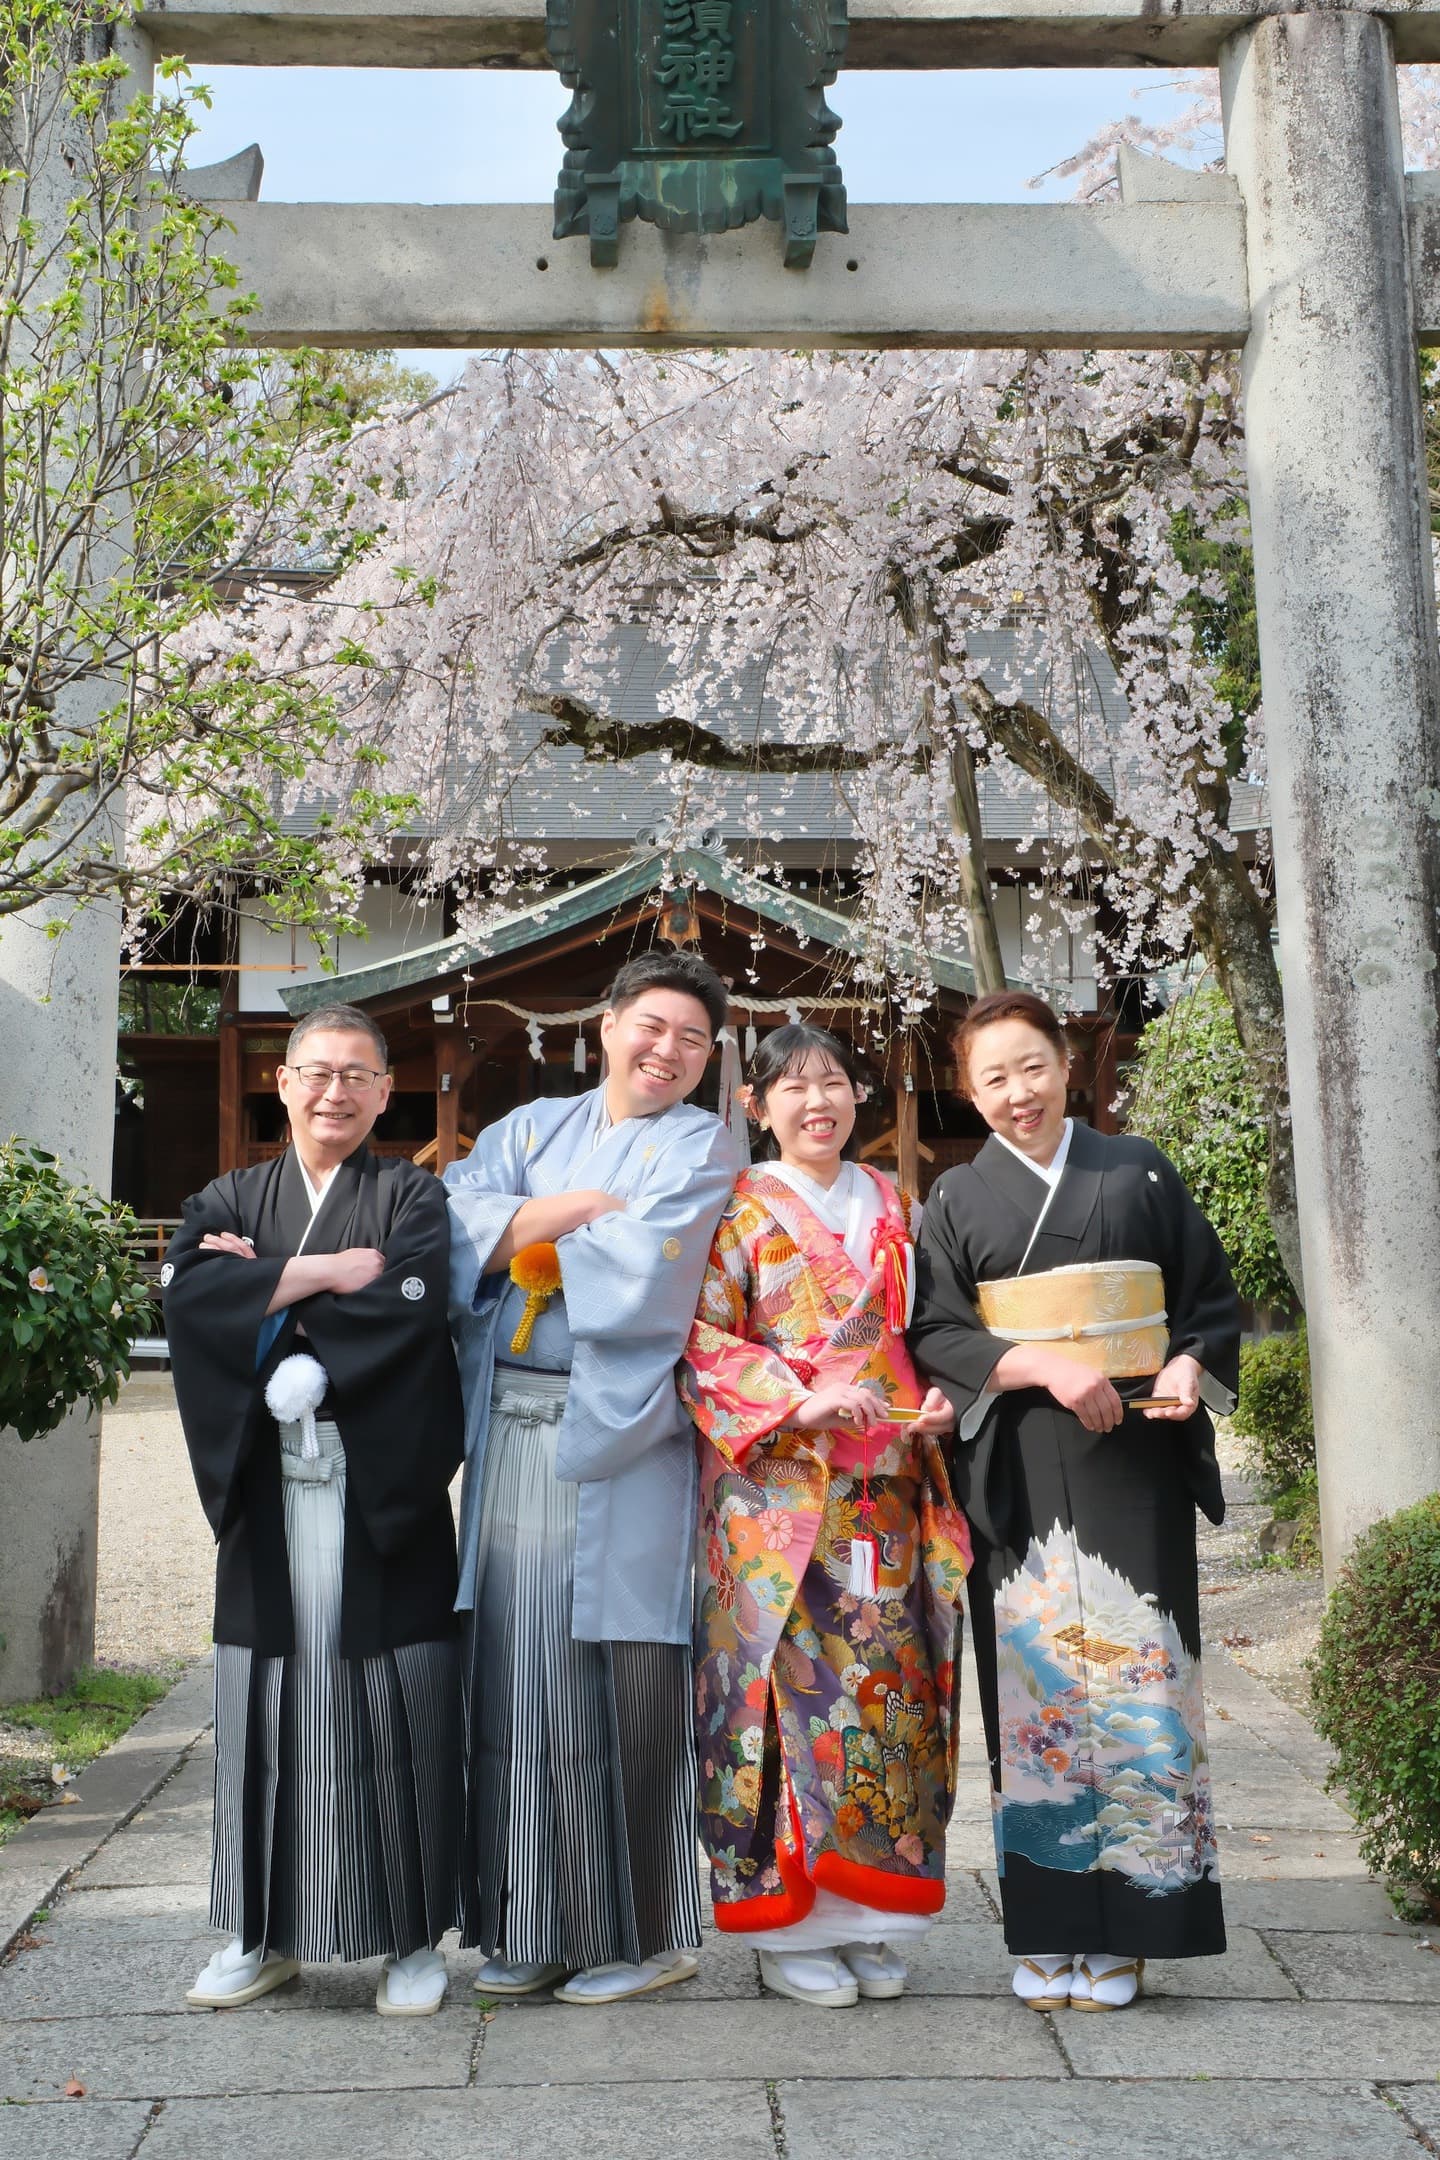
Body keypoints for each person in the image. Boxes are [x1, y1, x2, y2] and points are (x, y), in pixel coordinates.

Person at [908, 990, 1241, 2013]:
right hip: (1019, 1465)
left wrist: (1189, 1369)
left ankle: (1140, 1926)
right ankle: (1050, 1929)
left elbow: (1208, 1302)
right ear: (970, 1094)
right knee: (1038, 1693)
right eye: (993, 1079)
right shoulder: (958, 1203)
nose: (1019, 1093)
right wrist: (1043, 1366)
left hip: (1134, 1457)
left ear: (1067, 1065)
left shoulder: (1136, 1167)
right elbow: (938, 1331)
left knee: (1142, 1679)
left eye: (1032, 1067)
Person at [444, 949, 743, 2006]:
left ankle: (641, 1937)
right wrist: (574, 1213)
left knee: (621, 1683)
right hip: (513, 1430)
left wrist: (534, 1224)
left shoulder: (703, 1144)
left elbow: (653, 1266)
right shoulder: (529, 1127)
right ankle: (525, 1921)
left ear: (709, 1061)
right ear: (608, 1024)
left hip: (625, 1439)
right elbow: (454, 1224)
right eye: (651, 1027)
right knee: (513, 1676)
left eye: (692, 1040)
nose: (667, 1051)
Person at [163, 1004, 465, 2017]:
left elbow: (417, 1297)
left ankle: (411, 1941)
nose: (335, 1091)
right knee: (266, 1714)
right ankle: (260, 1935)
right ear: (281, 1083)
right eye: (316, 1073)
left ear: (387, 1093)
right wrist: (331, 1269)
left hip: (379, 1488)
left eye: (358, 1076)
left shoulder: (413, 1193)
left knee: (399, 1708)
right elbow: (191, 1293)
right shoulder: (228, 1193)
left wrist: (274, 1298)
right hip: (267, 1487)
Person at [679, 1025, 971, 2009]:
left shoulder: (896, 1206)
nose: (821, 1104)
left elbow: (930, 1335)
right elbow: (703, 1339)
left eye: (837, 1084)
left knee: (889, 1697)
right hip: (777, 1499)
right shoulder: (739, 1210)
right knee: (780, 1703)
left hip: (886, 1494)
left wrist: (940, 1397)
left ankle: (875, 1913)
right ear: (757, 1105)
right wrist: (794, 1403)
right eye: (796, 1088)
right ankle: (789, 1924)